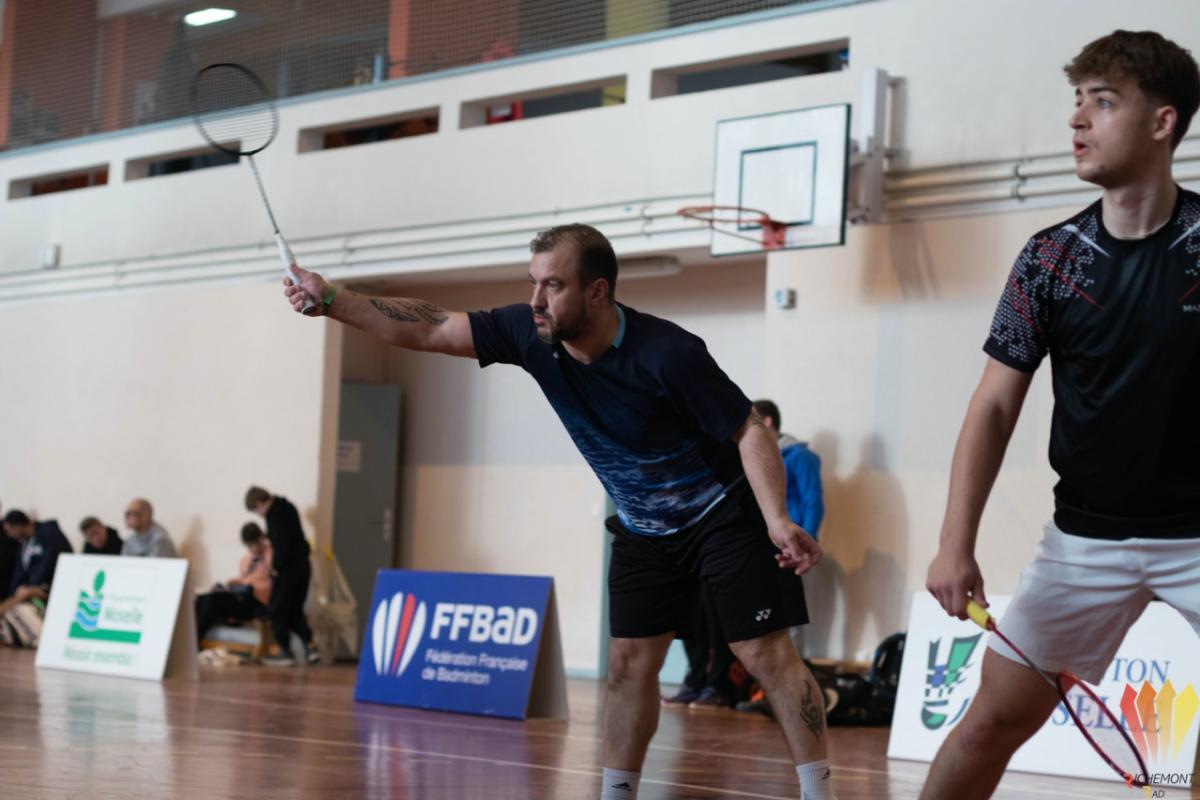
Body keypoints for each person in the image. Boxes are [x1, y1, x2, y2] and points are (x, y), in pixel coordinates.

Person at [283, 223, 836, 800]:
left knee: (762, 652)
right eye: (533, 282)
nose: (536, 300)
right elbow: (431, 326)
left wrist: (776, 519)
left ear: (597, 291)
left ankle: (819, 792)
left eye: (553, 285)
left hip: (721, 513)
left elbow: (749, 428)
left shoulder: (667, 352)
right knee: (628, 664)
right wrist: (331, 299)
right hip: (644, 529)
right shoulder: (530, 334)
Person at [921, 30, 1200, 800]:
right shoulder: (1049, 261)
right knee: (987, 725)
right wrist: (954, 545)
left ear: (1162, 122)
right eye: (1077, 101)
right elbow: (993, 404)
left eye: (1102, 102)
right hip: (1084, 542)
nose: (1077, 119)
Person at [245, 486, 319, 666]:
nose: (259, 515)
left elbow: (282, 544)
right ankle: (310, 646)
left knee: (276, 609)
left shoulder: (275, 514)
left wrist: (275, 567)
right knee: (294, 609)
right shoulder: (288, 506)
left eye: (256, 511)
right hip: (303, 565)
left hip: (288, 569)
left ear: (259, 503)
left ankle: (284, 650)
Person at [753, 399, 824, 539]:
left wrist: (807, 540)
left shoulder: (801, 456)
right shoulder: (759, 457)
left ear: (767, 421)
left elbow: (813, 502)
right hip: (766, 536)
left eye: (753, 422)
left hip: (794, 536)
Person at [195, 522, 273, 644]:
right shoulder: (246, 559)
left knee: (213, 600)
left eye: (257, 543)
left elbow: (275, 583)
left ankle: (194, 642)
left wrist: (250, 586)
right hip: (243, 596)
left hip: (258, 601)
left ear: (262, 537)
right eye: (250, 545)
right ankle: (188, 640)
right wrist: (232, 582)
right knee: (201, 599)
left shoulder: (272, 555)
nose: (254, 548)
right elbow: (244, 579)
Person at [3, 509, 72, 598]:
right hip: (36, 588)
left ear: (18, 526)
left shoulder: (49, 532)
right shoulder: (24, 543)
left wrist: (29, 586)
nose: (9, 535)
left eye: (9, 530)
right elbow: (19, 572)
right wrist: (14, 592)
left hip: (56, 587)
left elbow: (49, 564)